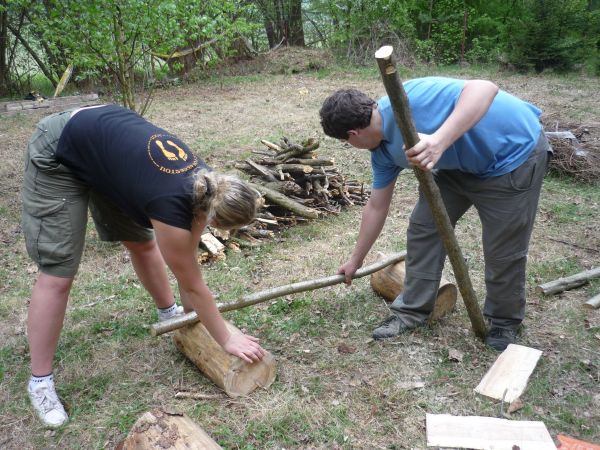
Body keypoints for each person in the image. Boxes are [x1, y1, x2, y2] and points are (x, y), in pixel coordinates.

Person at [22, 104, 266, 428]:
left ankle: (171, 315)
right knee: (59, 273)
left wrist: (193, 318)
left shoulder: (208, 188)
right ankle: (40, 382)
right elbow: (193, 282)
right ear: (215, 218)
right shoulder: (173, 203)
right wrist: (225, 339)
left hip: (106, 153)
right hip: (61, 146)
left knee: (140, 241)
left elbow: (188, 263)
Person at [319, 77, 550, 352]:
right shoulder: (382, 153)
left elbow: (484, 88)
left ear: (352, 134)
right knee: (424, 229)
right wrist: (355, 260)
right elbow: (376, 206)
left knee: (503, 247)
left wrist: (438, 141)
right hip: (456, 169)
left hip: (511, 157)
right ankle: (412, 311)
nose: (350, 146)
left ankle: (503, 321)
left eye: (346, 142)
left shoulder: (412, 97)